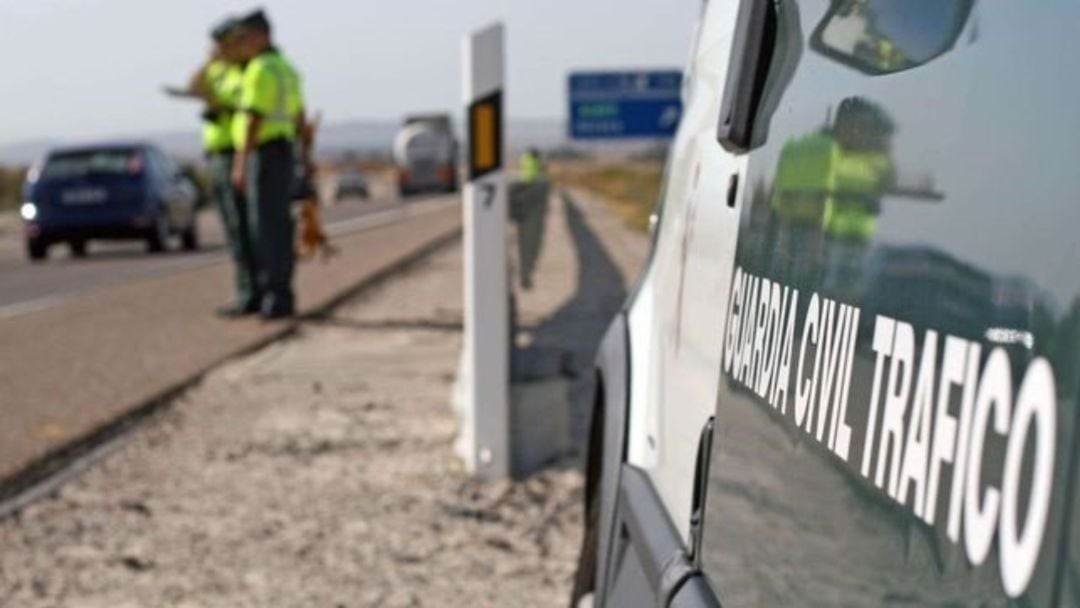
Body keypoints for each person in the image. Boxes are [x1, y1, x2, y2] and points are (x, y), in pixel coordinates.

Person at [230, 9, 309, 319]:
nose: (243, 44)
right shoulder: (286, 68)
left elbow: (253, 118)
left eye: (245, 37)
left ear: (261, 36)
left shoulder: (260, 69)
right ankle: (281, 293)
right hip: (284, 152)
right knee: (280, 225)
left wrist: (240, 162)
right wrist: (305, 156)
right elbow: (301, 116)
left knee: (264, 228)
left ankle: (274, 296)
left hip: (264, 154)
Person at [188, 17, 261, 317]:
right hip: (216, 155)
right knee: (233, 229)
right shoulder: (219, 70)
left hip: (235, 153)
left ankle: (252, 292)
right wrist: (209, 61)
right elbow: (194, 86)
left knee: (243, 227)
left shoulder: (242, 73)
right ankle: (247, 290)